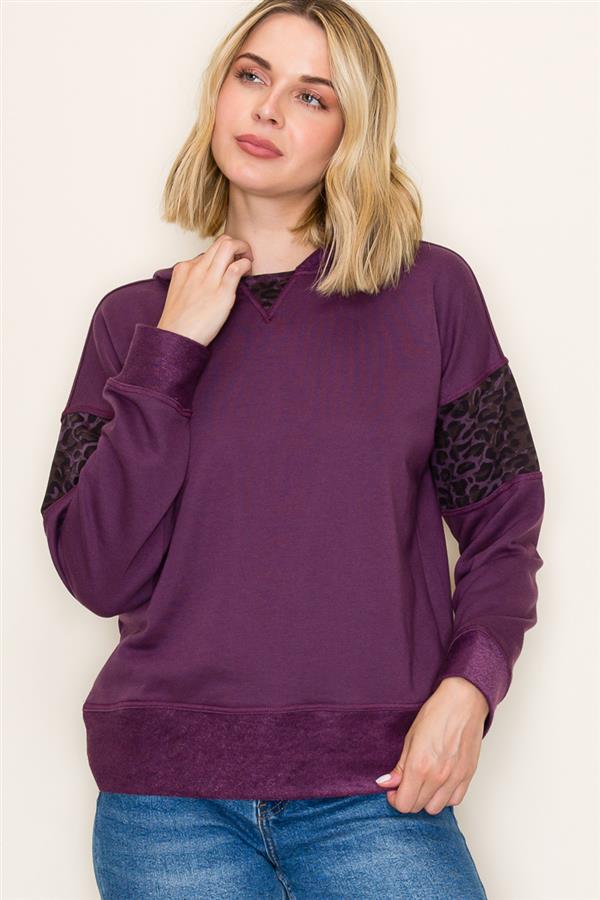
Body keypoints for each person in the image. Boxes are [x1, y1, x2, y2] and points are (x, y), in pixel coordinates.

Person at [40, 1, 545, 897]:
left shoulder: (431, 293)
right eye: (252, 75)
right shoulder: (132, 322)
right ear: (219, 93)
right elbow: (95, 572)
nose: (268, 109)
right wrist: (170, 354)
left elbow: (504, 523)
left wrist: (470, 689)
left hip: (377, 788)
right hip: (164, 805)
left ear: (353, 132)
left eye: (313, 95)